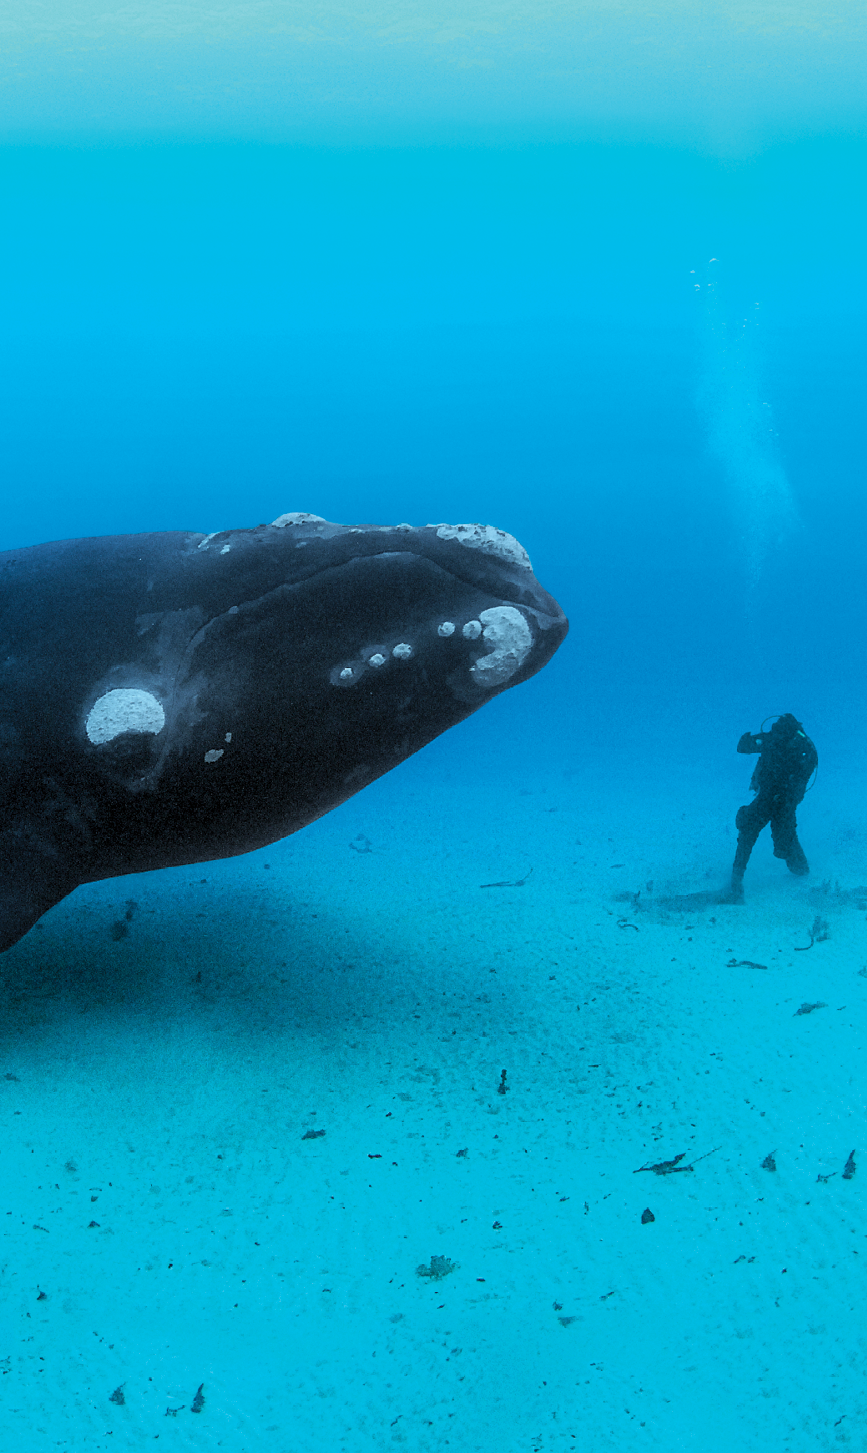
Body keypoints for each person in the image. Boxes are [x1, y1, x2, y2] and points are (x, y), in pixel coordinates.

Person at [729, 713, 818, 901]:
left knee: (783, 840)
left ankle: (801, 870)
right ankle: (736, 880)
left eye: (781, 732)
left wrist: (790, 792)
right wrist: (748, 740)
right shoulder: (771, 739)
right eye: (776, 731)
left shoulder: (801, 746)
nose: (778, 736)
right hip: (768, 796)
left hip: (785, 801)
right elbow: (743, 747)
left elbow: (807, 771)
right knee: (748, 826)